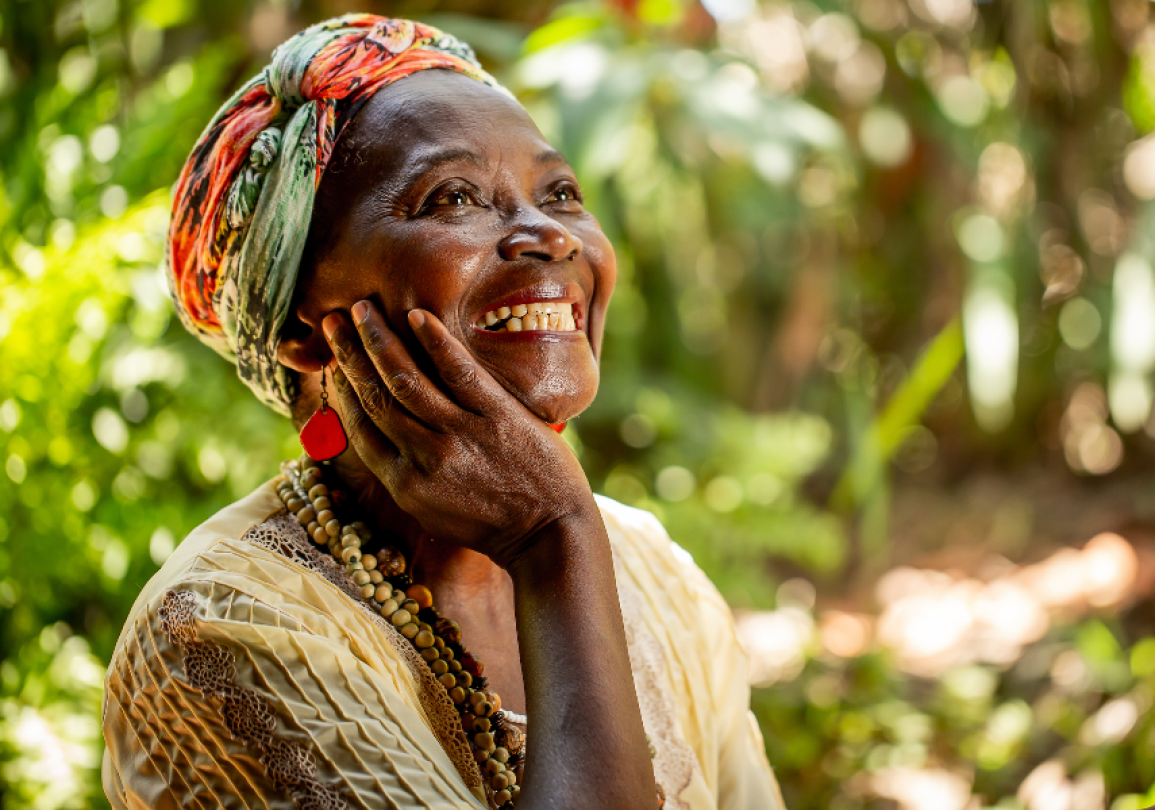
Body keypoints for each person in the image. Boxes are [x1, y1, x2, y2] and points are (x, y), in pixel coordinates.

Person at [100, 15, 784, 809]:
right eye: (453, 197)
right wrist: (553, 537)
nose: (550, 236)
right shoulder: (224, 630)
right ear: (299, 330)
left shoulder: (651, 570)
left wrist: (567, 535)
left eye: (561, 193)